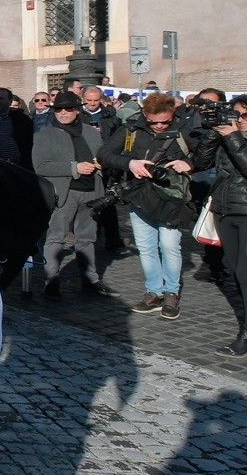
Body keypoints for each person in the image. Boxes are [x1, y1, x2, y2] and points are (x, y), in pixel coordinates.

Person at [98, 92, 196, 320]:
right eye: (155, 121)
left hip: (172, 197)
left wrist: (189, 163)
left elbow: (206, 155)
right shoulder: (131, 128)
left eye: (166, 121)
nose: (161, 126)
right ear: (145, 115)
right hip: (140, 194)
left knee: (170, 246)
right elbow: (104, 154)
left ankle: (171, 292)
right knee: (146, 246)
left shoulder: (183, 128)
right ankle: (154, 291)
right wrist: (130, 163)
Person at [191, 93, 247, 356]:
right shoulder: (227, 135)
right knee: (235, 271)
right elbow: (200, 163)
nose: (242, 120)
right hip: (224, 209)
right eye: (237, 115)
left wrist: (232, 136)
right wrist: (216, 133)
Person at [33, 91, 115, 298]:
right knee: (56, 237)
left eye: (68, 109)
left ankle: (90, 279)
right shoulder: (44, 135)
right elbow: (41, 166)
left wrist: (101, 165)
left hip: (91, 191)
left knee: (87, 237)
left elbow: (102, 157)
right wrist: (74, 167)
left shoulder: (92, 132)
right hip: (64, 193)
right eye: (59, 109)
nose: (63, 113)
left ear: (77, 110)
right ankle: (51, 279)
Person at [187, 87, 230, 283]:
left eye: (212, 104)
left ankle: (219, 262)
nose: (207, 108)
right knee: (208, 220)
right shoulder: (189, 123)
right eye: (203, 104)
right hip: (202, 177)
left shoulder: (231, 120)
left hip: (225, 176)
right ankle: (215, 263)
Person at [80, 85, 126, 252]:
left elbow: (118, 139)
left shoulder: (110, 116)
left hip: (105, 161)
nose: (92, 103)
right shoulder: (78, 115)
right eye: (89, 100)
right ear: (83, 100)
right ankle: (89, 236)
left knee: (108, 202)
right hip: (85, 160)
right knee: (86, 200)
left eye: (96, 100)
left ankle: (113, 238)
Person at [0, 87, 33, 169]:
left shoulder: (22, 120)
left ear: (10, 101)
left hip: (18, 167)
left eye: (1, 98)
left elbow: (29, 143)